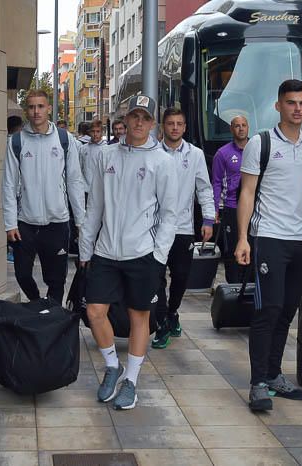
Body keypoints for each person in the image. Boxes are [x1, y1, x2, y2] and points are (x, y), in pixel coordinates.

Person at [79, 94, 178, 410]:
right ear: (125, 119)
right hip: (106, 251)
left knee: (139, 317)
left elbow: (170, 214)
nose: (138, 122)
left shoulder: (162, 161)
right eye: (134, 116)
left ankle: (131, 382)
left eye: (145, 118)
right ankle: (112, 366)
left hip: (142, 254)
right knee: (95, 311)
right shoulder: (105, 156)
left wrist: (158, 257)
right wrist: (86, 248)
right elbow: (94, 205)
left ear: (152, 123)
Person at [235, 79, 302, 411]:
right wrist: (243, 238)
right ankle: (258, 382)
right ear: (278, 106)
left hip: (300, 242)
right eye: (291, 103)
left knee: (286, 312)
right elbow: (246, 193)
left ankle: (274, 375)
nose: (298, 108)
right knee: (266, 311)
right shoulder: (261, 143)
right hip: (269, 238)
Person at [2, 89, 85, 305]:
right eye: (31, 107)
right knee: (22, 274)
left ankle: (53, 318)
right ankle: (38, 304)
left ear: (48, 108)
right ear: (26, 111)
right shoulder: (16, 142)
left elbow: (74, 181)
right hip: (25, 224)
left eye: (41, 106)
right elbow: (9, 184)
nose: (36, 111)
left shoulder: (65, 140)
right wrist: (10, 224)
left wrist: (80, 221)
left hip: (57, 222)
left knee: (56, 280)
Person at [151, 108, 215, 349]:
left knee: (180, 276)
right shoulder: (154, 153)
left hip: (183, 227)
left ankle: (172, 311)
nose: (175, 127)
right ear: (163, 127)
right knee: (156, 277)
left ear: (185, 127)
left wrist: (208, 219)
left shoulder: (195, 154)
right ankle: (162, 323)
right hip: (156, 228)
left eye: (179, 123)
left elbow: (204, 189)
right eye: (170, 123)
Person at [212, 115, 249, 283]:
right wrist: (214, 209)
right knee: (233, 250)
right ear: (231, 129)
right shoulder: (222, 153)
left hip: (255, 208)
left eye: (244, 125)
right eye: (237, 126)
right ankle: (233, 287)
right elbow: (217, 182)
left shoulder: (257, 149)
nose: (241, 128)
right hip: (232, 208)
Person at [6, 115, 23, 263]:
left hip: (10, 188)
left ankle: (11, 250)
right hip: (17, 190)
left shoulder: (7, 141)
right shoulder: (16, 142)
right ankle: (12, 250)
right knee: (15, 223)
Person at [80, 119, 106, 193]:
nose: (95, 134)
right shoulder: (83, 148)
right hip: (85, 190)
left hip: (100, 190)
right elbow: (80, 168)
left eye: (98, 131)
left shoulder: (107, 149)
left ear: (102, 132)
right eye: (93, 131)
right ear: (89, 132)